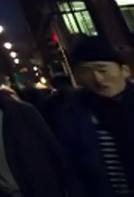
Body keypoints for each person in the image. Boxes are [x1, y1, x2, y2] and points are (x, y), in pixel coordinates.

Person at [0, 58, 75, 197]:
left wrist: (69, 187)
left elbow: (52, 148)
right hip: (1, 191)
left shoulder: (23, 111)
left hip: (37, 188)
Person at [54, 36, 134, 197]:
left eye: (102, 70)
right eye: (86, 72)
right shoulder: (73, 113)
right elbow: (72, 169)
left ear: (124, 71)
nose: (97, 79)